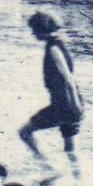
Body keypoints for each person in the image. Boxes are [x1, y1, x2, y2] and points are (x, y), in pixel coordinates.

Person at [18, 10, 83, 159]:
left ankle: (47, 165)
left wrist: (75, 105)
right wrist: (76, 105)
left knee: (24, 132)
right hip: (70, 104)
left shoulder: (53, 49)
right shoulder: (60, 43)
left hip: (63, 105)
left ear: (42, 29)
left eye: (34, 30)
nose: (33, 34)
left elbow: (68, 79)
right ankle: (78, 179)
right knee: (71, 150)